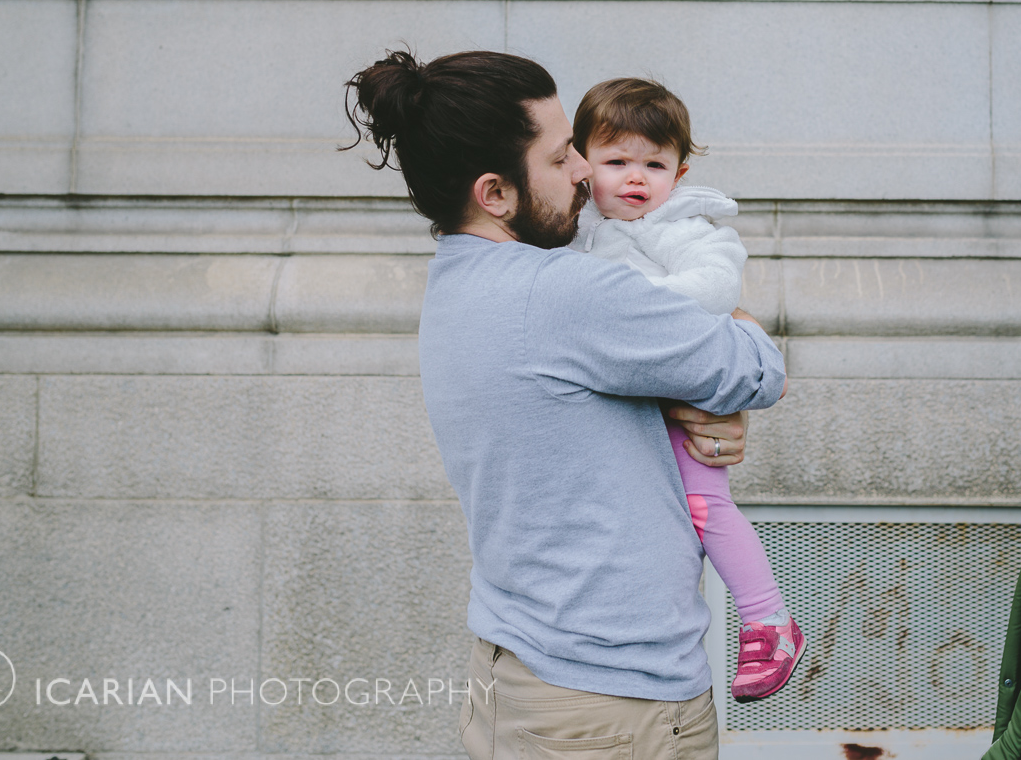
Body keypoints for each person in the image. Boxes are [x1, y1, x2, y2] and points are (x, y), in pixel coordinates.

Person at [341, 49, 787, 760]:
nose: (585, 169)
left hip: (523, 673)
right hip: (612, 705)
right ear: (495, 192)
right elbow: (756, 373)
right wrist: (742, 330)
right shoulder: (569, 293)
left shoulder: (457, 279)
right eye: (560, 158)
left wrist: (681, 409)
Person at [568, 77, 804, 703]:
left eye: (655, 163)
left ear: (681, 170)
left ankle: (768, 620)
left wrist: (631, 309)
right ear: (580, 161)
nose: (635, 177)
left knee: (705, 508)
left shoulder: (681, 224)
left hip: (681, 398)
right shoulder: (574, 227)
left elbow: (716, 286)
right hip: (624, 408)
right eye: (616, 161)